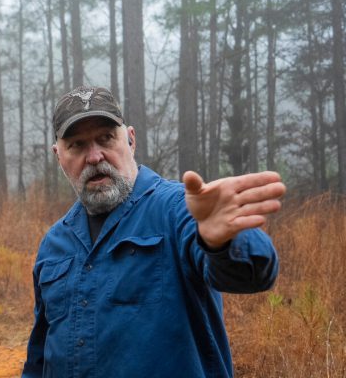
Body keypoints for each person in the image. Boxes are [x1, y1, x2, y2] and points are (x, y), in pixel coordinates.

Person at [22, 86, 284, 378]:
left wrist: (220, 242)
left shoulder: (178, 209)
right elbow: (41, 355)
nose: (95, 156)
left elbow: (254, 272)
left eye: (106, 138)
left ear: (131, 140)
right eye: (77, 145)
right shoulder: (54, 244)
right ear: (59, 156)